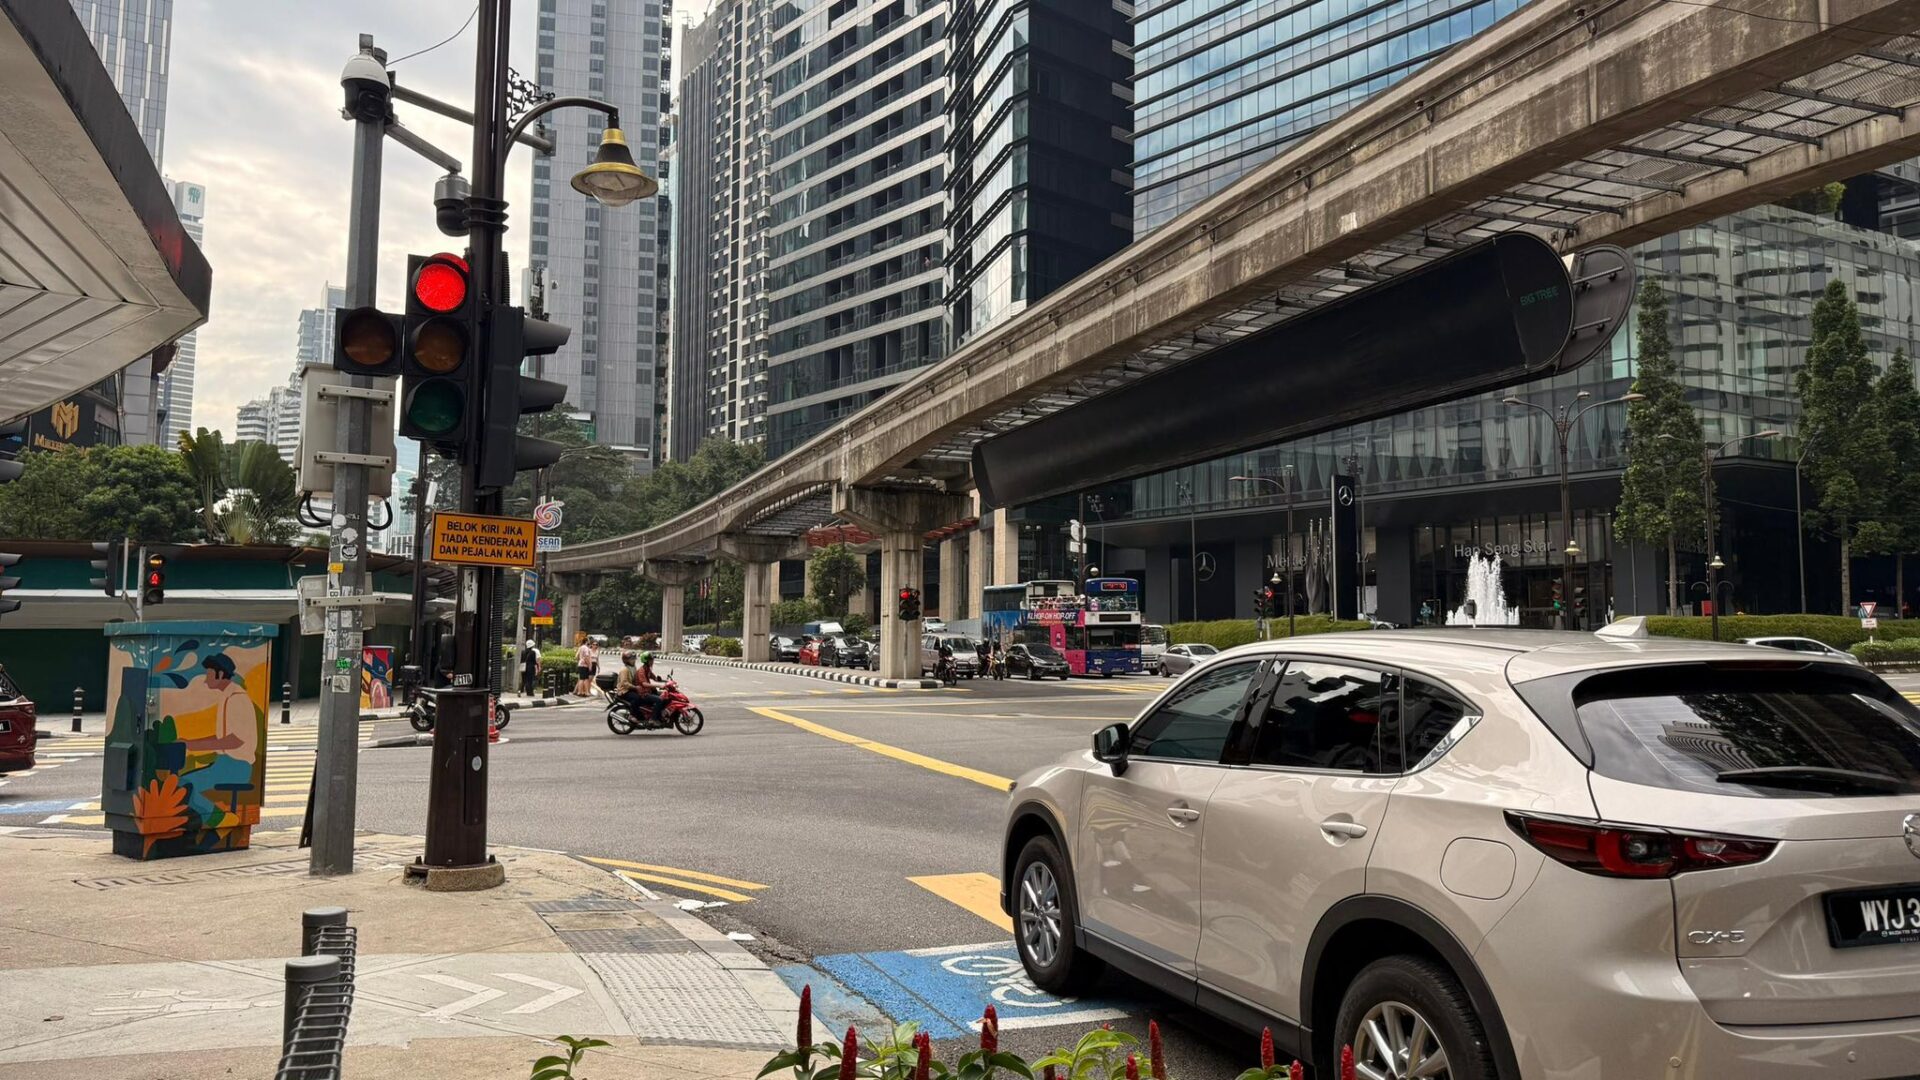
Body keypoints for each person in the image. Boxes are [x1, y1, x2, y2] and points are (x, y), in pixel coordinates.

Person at [178, 654, 260, 828]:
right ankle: (213, 819)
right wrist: (190, 743)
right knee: (181, 783)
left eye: (208, 674)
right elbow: (222, 737)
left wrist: (194, 745)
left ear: (220, 674)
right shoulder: (227, 696)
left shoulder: (237, 698)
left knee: (184, 785)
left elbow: (234, 741)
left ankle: (219, 819)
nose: (206, 680)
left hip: (237, 766)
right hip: (225, 763)